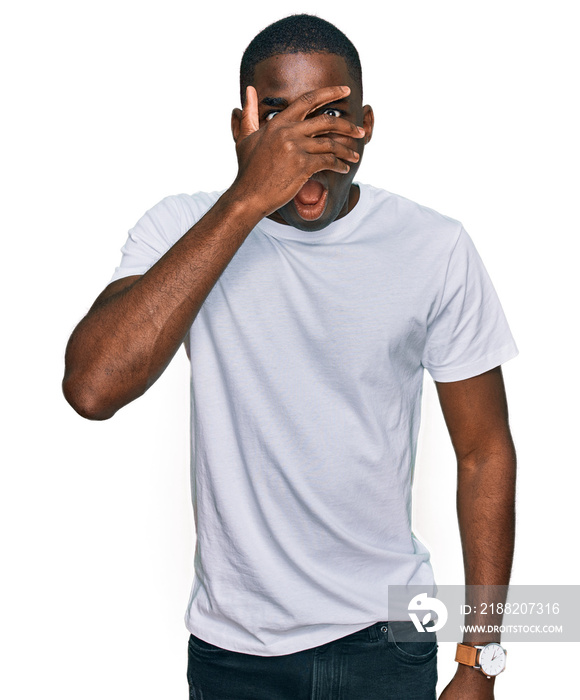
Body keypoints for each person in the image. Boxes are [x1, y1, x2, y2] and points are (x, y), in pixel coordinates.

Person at [63, 14, 518, 700]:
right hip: (233, 651)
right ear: (243, 127)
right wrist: (249, 195)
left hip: (386, 637)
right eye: (279, 117)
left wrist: (478, 658)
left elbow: (485, 452)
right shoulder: (179, 228)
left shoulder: (435, 247)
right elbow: (92, 388)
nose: (305, 142)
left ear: (365, 125)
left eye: (329, 115)